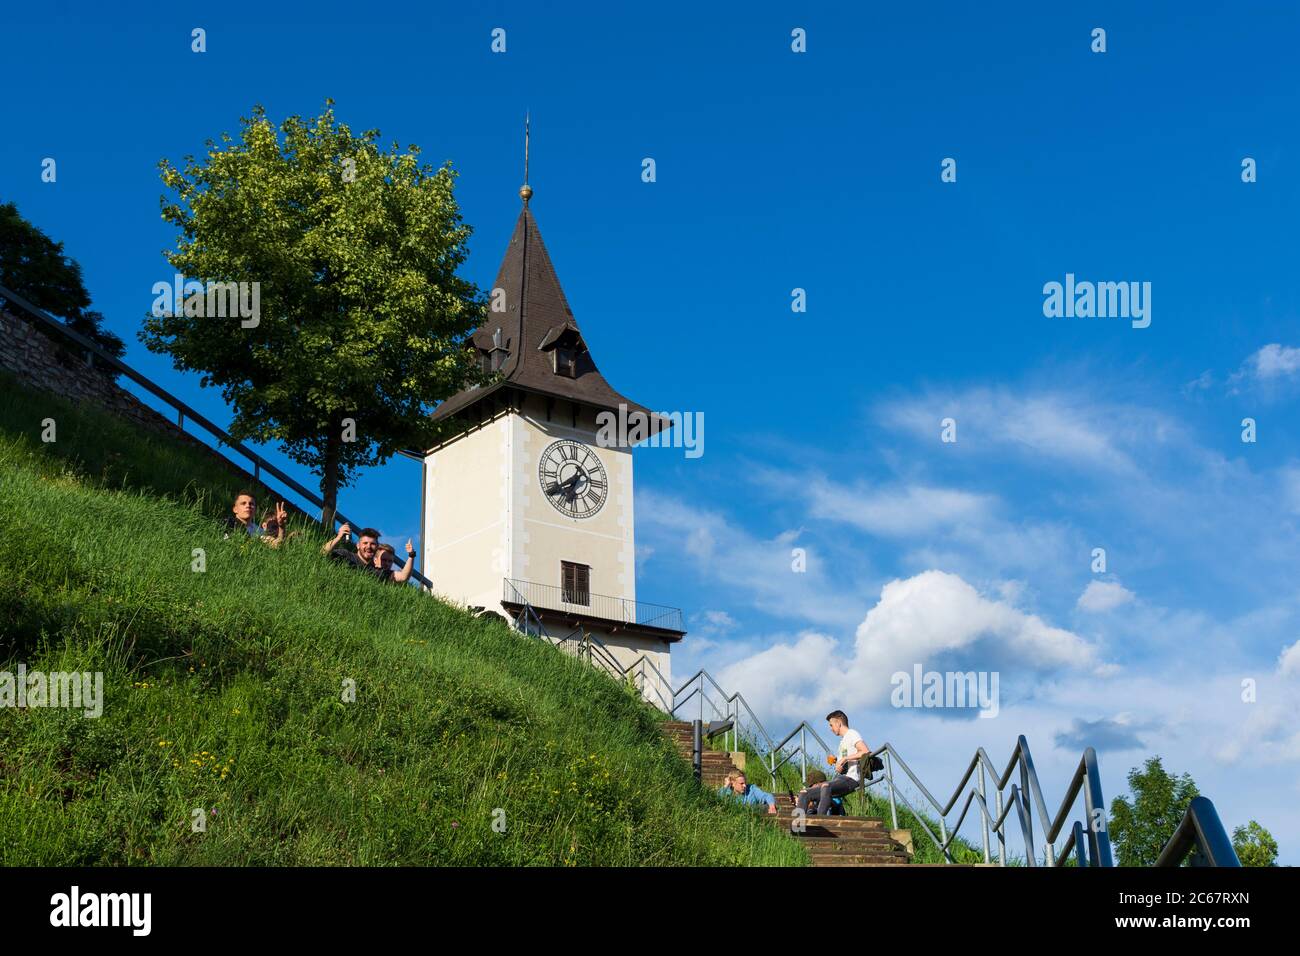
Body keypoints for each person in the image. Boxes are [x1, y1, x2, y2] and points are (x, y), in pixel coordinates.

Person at [796, 710, 871, 817]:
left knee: (826, 785)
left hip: (852, 779)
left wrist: (844, 759)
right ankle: (797, 825)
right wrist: (837, 761)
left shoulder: (852, 734)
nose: (830, 729)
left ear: (839, 723)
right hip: (842, 778)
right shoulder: (842, 741)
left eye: (831, 725)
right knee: (805, 792)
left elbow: (865, 751)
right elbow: (847, 762)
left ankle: (820, 821)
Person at [222, 491, 287, 548]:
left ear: (255, 510)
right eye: (243, 503)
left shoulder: (259, 531)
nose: (248, 506)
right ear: (235, 509)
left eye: (251, 504)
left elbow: (277, 545)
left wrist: (281, 526)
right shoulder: (227, 523)